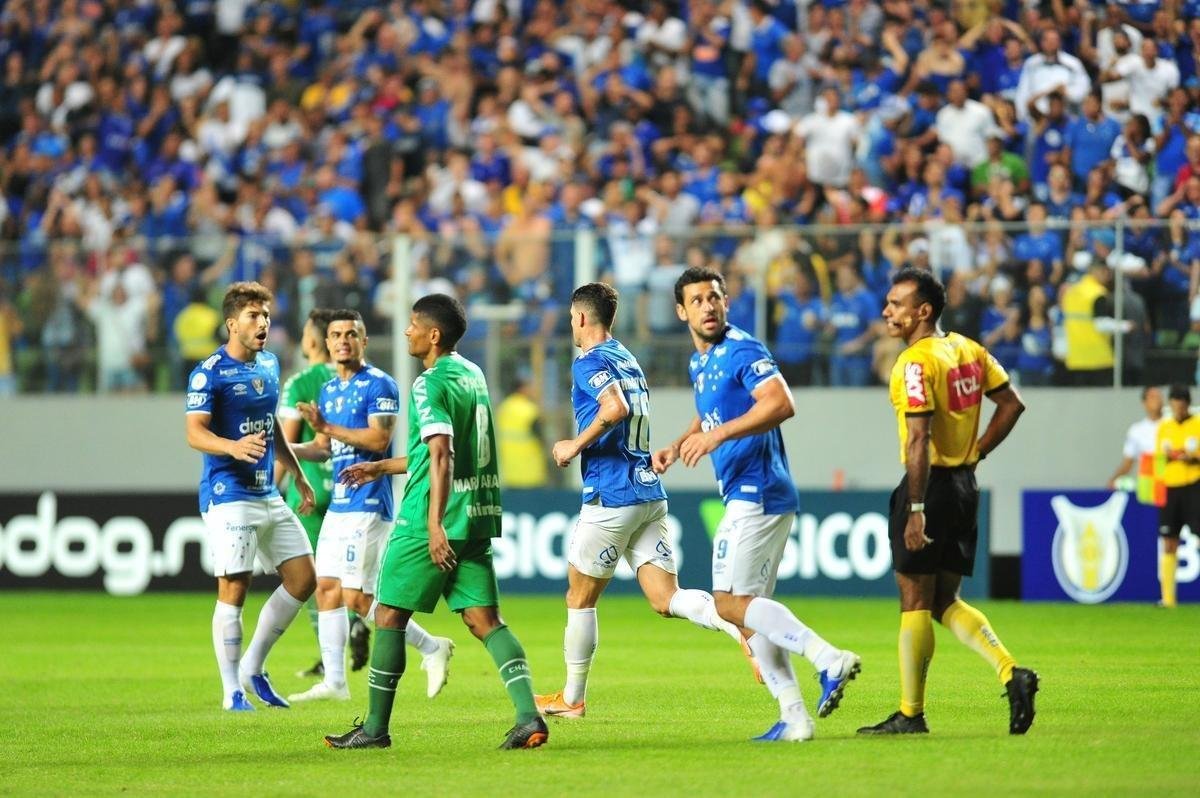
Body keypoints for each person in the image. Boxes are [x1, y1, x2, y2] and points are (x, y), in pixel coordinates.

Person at [324, 294, 548, 750]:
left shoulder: (428, 383)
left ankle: (374, 729)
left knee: (388, 615)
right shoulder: (472, 375)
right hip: (476, 516)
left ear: (433, 335)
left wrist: (433, 524)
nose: (406, 331)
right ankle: (530, 717)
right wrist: (380, 467)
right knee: (485, 618)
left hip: (431, 518)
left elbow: (442, 454)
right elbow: (436, 452)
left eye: (413, 324)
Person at [653, 267, 861, 743]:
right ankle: (795, 718)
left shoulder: (742, 348)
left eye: (714, 297)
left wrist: (717, 437)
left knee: (728, 604)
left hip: (758, 490)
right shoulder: (700, 363)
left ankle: (828, 658)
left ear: (726, 303)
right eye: (697, 300)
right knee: (748, 613)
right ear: (682, 312)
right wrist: (679, 444)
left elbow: (780, 402)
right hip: (746, 492)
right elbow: (711, 411)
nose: (708, 306)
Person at [534, 283, 748, 719]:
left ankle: (572, 699)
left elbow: (614, 408)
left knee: (579, 598)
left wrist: (575, 445)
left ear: (580, 318)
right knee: (666, 597)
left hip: (611, 495)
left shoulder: (589, 362)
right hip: (647, 492)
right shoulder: (627, 359)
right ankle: (737, 625)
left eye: (572, 319)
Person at [858, 267, 1037, 736]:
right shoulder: (968, 349)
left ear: (923, 311)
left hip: (931, 488)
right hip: (964, 486)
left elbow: (919, 439)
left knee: (915, 600)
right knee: (944, 600)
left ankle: (910, 713)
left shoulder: (915, 363)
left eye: (896, 304)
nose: (887, 312)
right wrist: (976, 452)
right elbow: (1012, 403)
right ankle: (1010, 671)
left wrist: (916, 509)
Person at [285, 309, 454, 703]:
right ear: (327, 343)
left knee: (357, 599)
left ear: (363, 341)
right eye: (336, 335)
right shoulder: (329, 390)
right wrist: (285, 449)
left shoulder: (380, 384)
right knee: (326, 589)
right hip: (339, 506)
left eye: (351, 334)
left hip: (369, 504)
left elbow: (379, 440)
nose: (343, 341)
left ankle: (432, 646)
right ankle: (335, 682)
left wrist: (327, 427)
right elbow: (323, 447)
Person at [183, 281, 317, 711]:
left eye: (266, 316)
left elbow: (269, 424)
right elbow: (194, 432)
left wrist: (297, 473)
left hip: (267, 492)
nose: (263, 324)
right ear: (232, 323)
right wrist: (232, 447)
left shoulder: (270, 364)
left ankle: (253, 668)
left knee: (304, 578)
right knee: (235, 587)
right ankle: (232, 692)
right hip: (229, 495)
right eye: (254, 316)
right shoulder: (209, 372)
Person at [277, 308, 340, 680]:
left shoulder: (301, 382)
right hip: (349, 489)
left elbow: (284, 443)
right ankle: (350, 630)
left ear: (313, 340)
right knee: (347, 577)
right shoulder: (356, 378)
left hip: (309, 493)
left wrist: (269, 487)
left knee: (308, 579)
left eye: (304, 333)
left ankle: (331, 655)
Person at [1152, 385, 1198, 609]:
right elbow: (1158, 459)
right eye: (1175, 405)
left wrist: (1191, 458)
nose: (1178, 409)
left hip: (1194, 486)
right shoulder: (1164, 427)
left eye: (1182, 405)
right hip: (1170, 488)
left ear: (1188, 405)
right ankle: (1168, 599)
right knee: (1169, 541)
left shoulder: (1197, 424)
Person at [495, 372, 550, 489]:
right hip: (530, 472)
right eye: (530, 387)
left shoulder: (504, 407)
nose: (533, 390)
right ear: (522, 389)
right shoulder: (529, 410)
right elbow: (541, 437)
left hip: (509, 472)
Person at [1107, 386, 1164, 489]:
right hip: (1148, 486)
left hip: (1171, 484)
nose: (1157, 400)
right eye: (1152, 397)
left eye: (1159, 397)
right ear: (1144, 403)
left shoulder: (1171, 424)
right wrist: (1114, 479)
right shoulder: (1136, 430)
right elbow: (1128, 462)